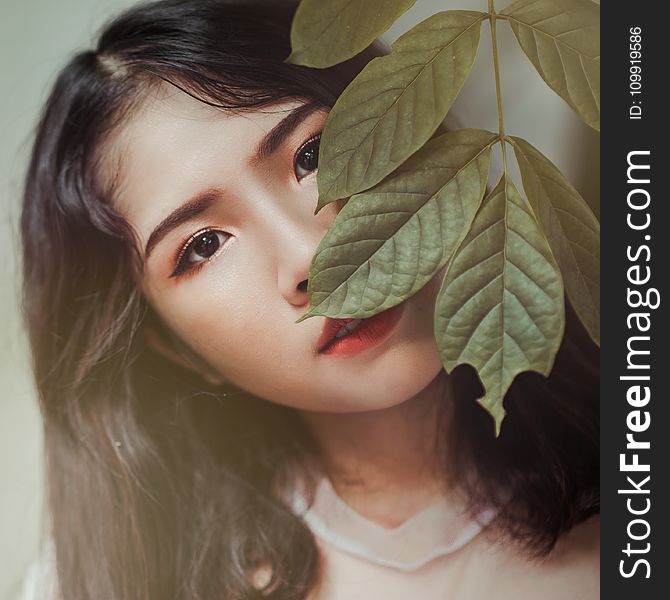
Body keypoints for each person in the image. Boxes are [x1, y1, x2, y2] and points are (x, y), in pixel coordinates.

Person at [20, 0, 599, 598]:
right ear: (172, 348)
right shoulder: (102, 583)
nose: (313, 257)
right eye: (203, 246)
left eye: (312, 154)